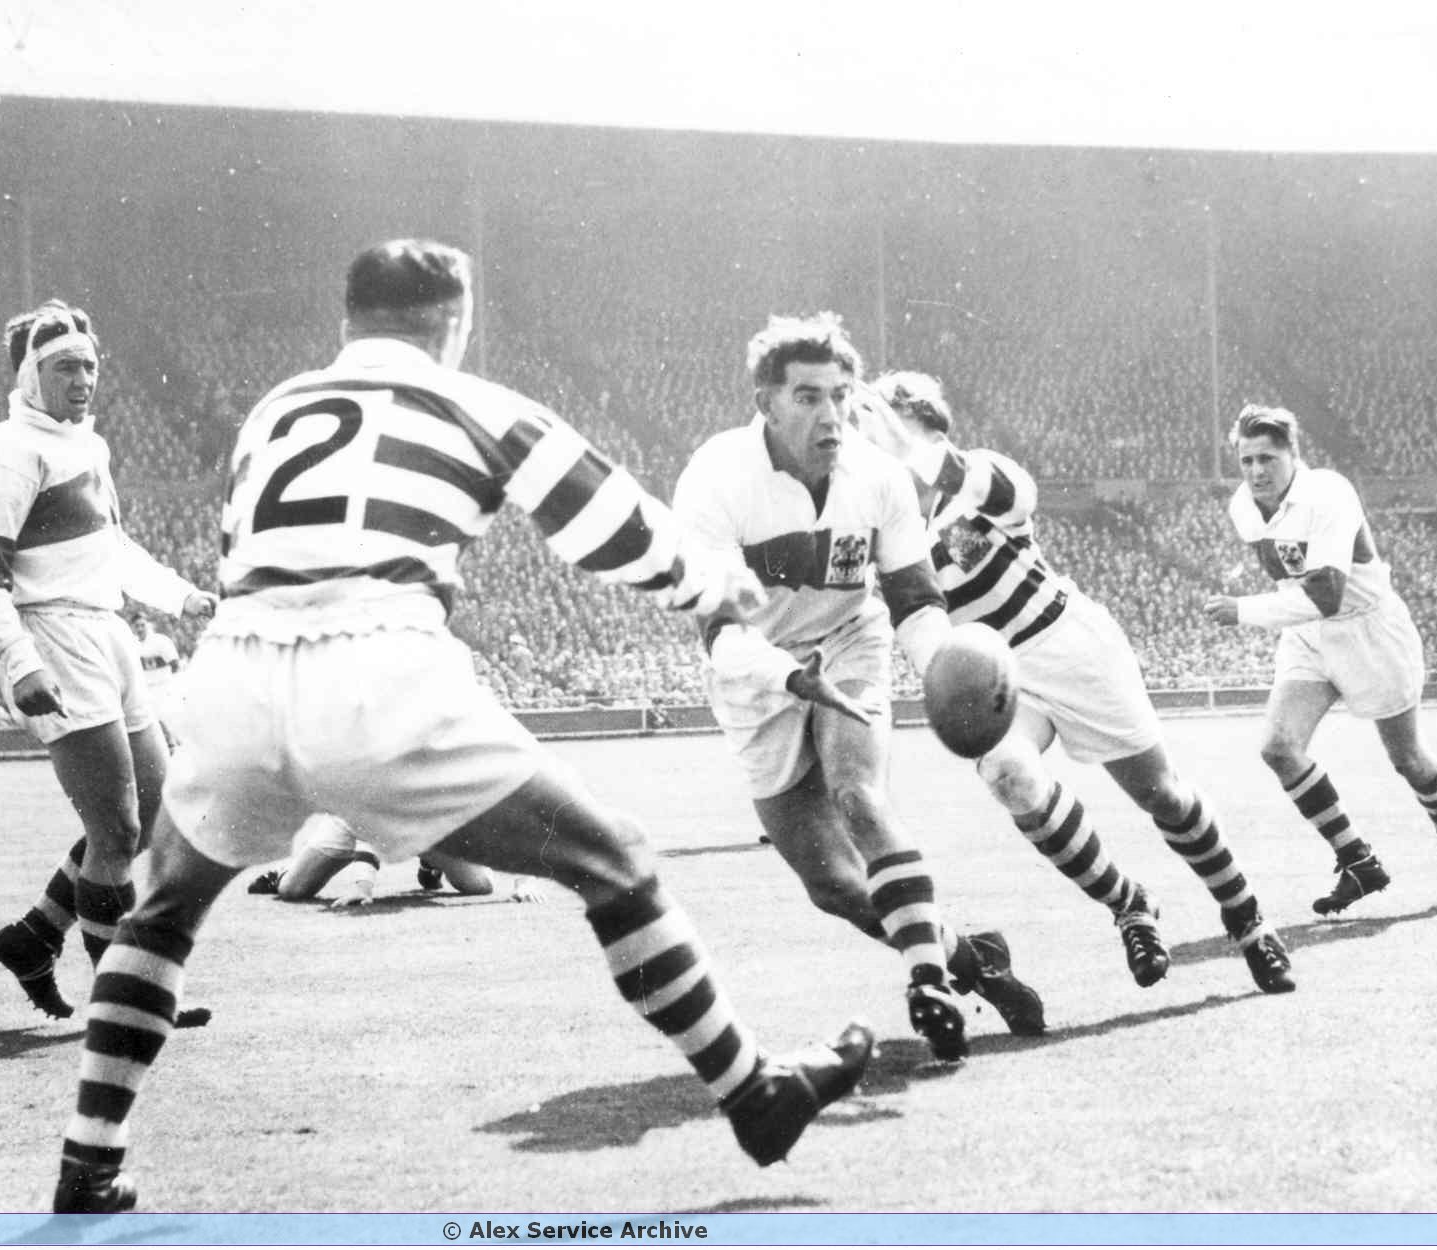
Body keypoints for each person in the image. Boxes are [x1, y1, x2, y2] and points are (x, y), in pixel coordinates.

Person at [50, 240, 873, 1213]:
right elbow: (605, 518)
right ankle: (752, 1093)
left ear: (348, 320)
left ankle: (89, 1161)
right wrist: (710, 584)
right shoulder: (472, 401)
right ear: (455, 320)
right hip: (378, 669)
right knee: (614, 861)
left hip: (235, 673)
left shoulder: (274, 408)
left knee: (161, 912)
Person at [671, 315, 1046, 1063]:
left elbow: (914, 598)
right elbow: (720, 635)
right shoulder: (714, 477)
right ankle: (972, 960)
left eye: (841, 395)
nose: (831, 415)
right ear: (766, 402)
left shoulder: (876, 475)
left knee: (859, 796)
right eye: (808, 397)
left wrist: (942, 665)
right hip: (757, 673)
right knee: (835, 887)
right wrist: (792, 679)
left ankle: (929, 985)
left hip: (848, 640)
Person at [851, 373, 1295, 994]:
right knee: (1010, 776)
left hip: (1068, 644)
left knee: (1163, 796)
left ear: (921, 425)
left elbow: (1017, 494)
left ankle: (1246, 916)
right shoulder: (889, 532)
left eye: (879, 428)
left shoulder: (974, 477)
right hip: (1000, 679)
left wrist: (908, 449)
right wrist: (944, 680)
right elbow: (913, 619)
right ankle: (1128, 903)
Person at [0, 300, 219, 1022]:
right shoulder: (8, 448)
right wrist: (21, 662)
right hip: (54, 636)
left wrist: (179, 595)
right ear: (30, 374)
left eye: (90, 366)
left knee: (154, 812)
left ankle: (34, 935)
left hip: (108, 631)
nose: (83, 379)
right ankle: (128, 999)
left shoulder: (89, 445)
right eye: (65, 368)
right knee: (116, 831)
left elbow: (114, 548)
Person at [1206, 404, 1437, 914]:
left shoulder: (1328, 494)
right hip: (1309, 634)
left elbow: (1328, 595)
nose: (1256, 471)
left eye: (1267, 459)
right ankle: (1359, 861)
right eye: (1246, 461)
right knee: (1278, 748)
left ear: (1293, 455)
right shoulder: (1244, 506)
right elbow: (1290, 580)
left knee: (1408, 760)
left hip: (1368, 630)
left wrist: (1243, 610)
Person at [248, 813, 546, 905]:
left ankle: (429, 859)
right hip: (353, 816)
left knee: (480, 886)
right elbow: (368, 824)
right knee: (294, 890)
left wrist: (525, 881)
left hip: (427, 826)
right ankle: (284, 871)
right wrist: (363, 887)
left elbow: (510, 810)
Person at [128, 612, 181, 748]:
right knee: (152, 715)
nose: (140, 629)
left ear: (148, 625)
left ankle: (172, 740)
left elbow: (175, 664)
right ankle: (169, 741)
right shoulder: (132, 644)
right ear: (133, 628)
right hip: (146, 686)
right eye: (136, 626)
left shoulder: (160, 641)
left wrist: (172, 683)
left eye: (142, 625)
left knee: (164, 714)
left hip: (163, 684)